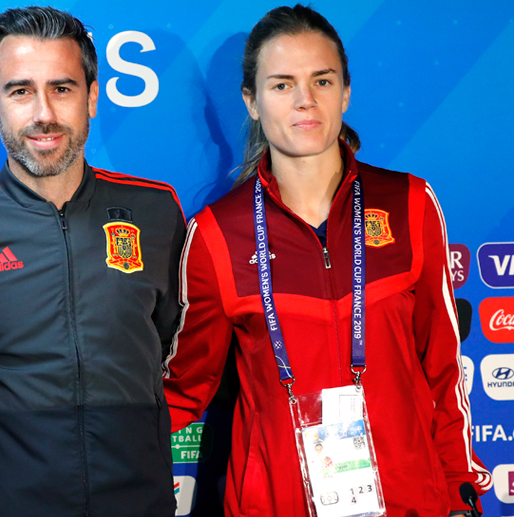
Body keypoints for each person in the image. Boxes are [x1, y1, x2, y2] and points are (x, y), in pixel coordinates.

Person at [161, 4, 490, 516]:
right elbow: (185, 386)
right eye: (282, 85)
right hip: (273, 504)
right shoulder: (218, 234)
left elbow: (444, 368)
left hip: (408, 501)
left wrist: (460, 489)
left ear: (345, 92)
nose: (305, 100)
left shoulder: (409, 204)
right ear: (251, 101)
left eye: (322, 80)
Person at [0, 6, 185, 516]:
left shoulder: (155, 211)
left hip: (137, 502)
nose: (43, 114)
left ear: (92, 96)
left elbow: (174, 347)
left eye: (62, 88)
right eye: (20, 91)